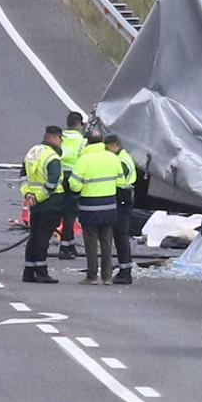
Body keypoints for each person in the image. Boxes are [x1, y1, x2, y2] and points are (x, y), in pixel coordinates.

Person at [69, 130, 126, 285]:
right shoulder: (113, 158)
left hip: (89, 207)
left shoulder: (84, 159)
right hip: (109, 206)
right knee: (107, 242)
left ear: (87, 142)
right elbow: (121, 182)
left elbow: (74, 185)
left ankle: (92, 276)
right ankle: (107, 277)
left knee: (91, 243)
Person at [20, 126, 65, 284]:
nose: (61, 143)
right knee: (42, 238)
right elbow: (52, 183)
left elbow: (23, 177)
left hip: (35, 204)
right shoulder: (52, 157)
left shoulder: (32, 152)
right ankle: (41, 271)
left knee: (34, 236)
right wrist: (38, 197)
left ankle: (29, 270)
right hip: (50, 203)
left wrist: (28, 195)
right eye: (60, 139)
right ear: (53, 138)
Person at [104, 134, 136, 285]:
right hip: (124, 199)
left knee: (121, 236)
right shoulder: (123, 157)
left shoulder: (121, 160)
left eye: (108, 147)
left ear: (115, 145)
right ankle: (124, 270)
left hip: (123, 201)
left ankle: (125, 272)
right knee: (119, 236)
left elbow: (115, 179)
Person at [57, 111, 85, 260]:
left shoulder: (60, 137)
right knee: (70, 214)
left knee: (65, 213)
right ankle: (65, 246)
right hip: (74, 178)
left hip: (59, 177)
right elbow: (83, 160)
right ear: (79, 124)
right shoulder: (81, 140)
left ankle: (70, 244)